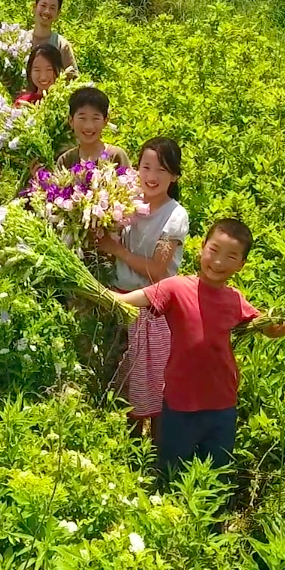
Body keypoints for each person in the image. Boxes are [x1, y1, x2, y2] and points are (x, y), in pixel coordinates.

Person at [112, 219, 285, 478]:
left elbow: (270, 329)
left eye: (231, 256)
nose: (218, 262)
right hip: (179, 403)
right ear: (201, 248)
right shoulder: (176, 287)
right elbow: (125, 301)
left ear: (241, 265)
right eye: (214, 250)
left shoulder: (235, 300)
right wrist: (94, 291)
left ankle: (213, 519)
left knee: (216, 475)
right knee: (172, 473)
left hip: (221, 404)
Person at [97, 138, 189, 443]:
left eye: (161, 170)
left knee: (154, 389)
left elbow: (158, 269)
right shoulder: (126, 201)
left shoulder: (175, 216)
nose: (151, 175)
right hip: (118, 301)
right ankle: (131, 454)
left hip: (153, 311)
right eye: (146, 167)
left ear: (174, 176)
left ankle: (158, 459)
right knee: (125, 389)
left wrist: (115, 249)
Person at [54, 87, 130, 170]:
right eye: (82, 118)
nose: (88, 126)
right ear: (71, 121)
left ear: (105, 121)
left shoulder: (116, 156)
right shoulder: (66, 160)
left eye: (95, 118)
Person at [30, 0, 78, 75]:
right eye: (43, 5)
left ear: (58, 14)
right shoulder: (20, 41)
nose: (47, 11)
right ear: (34, 7)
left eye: (52, 8)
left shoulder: (62, 45)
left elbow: (73, 79)